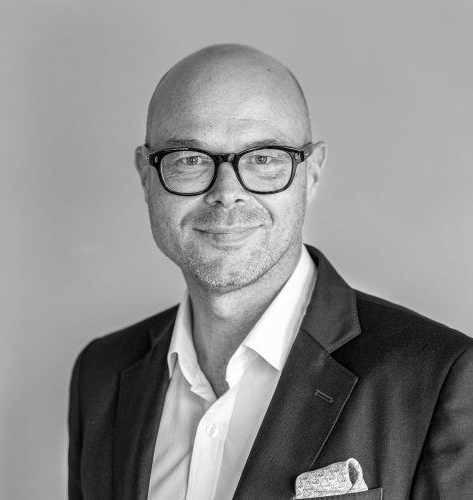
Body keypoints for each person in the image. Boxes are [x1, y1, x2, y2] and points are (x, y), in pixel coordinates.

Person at [68, 44, 473, 500]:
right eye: (190, 158)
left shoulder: (438, 377)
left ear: (311, 172)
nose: (227, 193)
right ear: (146, 177)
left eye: (263, 158)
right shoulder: (100, 375)